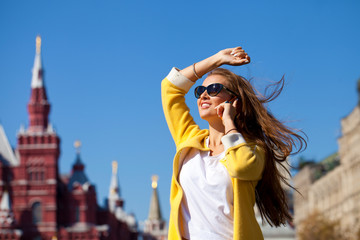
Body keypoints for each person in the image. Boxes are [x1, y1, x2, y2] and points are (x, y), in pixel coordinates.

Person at [161, 47, 306, 240]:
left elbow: (241, 167)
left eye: (213, 89)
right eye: (200, 90)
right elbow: (170, 88)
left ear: (234, 101)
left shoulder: (253, 149)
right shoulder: (189, 140)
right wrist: (216, 60)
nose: (203, 95)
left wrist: (229, 122)